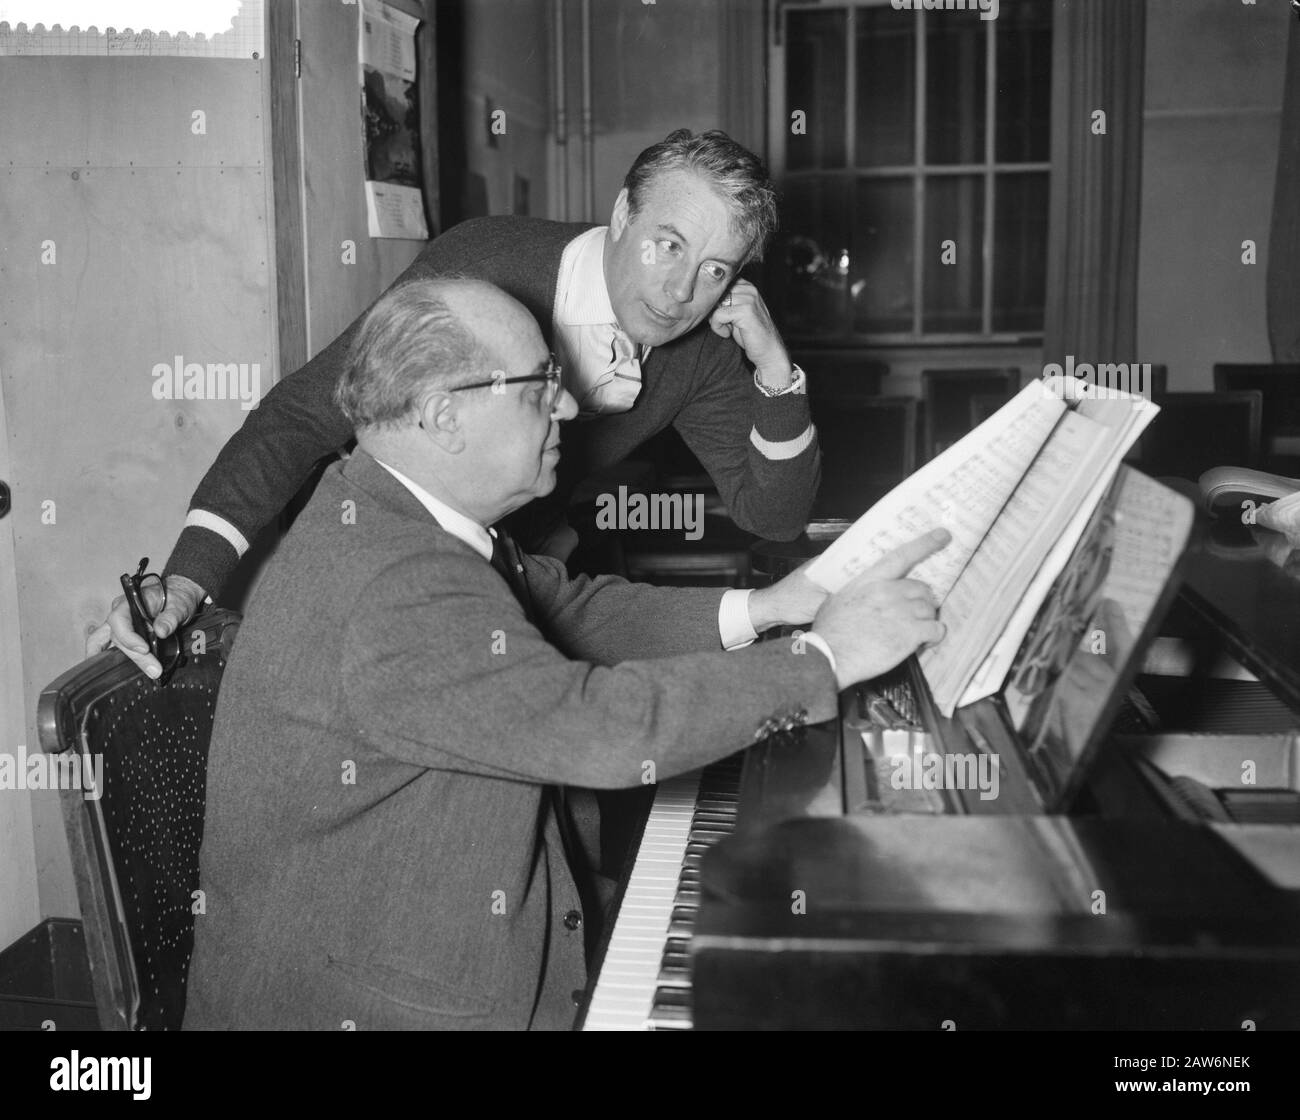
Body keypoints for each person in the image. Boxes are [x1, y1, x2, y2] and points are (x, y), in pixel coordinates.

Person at [182, 277, 947, 1030]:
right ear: (447, 415)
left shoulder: (390, 510)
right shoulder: (398, 579)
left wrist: (776, 606)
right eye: (539, 385)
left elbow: (572, 609)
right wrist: (825, 659)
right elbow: (603, 732)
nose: (571, 405)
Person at [91, 129, 821, 679]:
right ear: (624, 211)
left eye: (714, 268)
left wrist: (776, 372)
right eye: (668, 245)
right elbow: (302, 418)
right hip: (373, 575)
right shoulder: (484, 269)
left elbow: (776, 516)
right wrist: (188, 579)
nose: (679, 291)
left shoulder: (702, 342)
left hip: (522, 584)